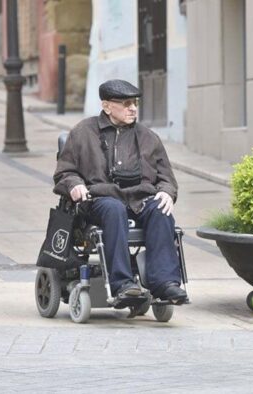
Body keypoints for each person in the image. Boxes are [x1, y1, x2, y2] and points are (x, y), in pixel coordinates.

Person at [53, 79, 187, 304]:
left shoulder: (148, 138)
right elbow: (64, 173)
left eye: (134, 102)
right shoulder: (83, 133)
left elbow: (166, 177)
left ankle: (165, 283)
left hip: (139, 199)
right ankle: (123, 284)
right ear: (107, 106)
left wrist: (166, 191)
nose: (133, 108)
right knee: (114, 209)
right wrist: (75, 185)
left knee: (161, 210)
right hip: (99, 199)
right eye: (126, 103)